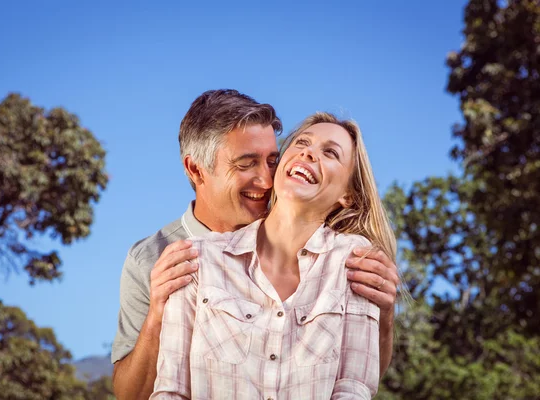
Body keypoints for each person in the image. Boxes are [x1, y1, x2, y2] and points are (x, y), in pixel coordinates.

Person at [112, 91, 400, 400]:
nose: (266, 181)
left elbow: (356, 376)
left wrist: (382, 318)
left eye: (272, 161)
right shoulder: (158, 258)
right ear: (196, 170)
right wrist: (158, 313)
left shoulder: (340, 258)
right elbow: (134, 395)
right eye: (247, 164)